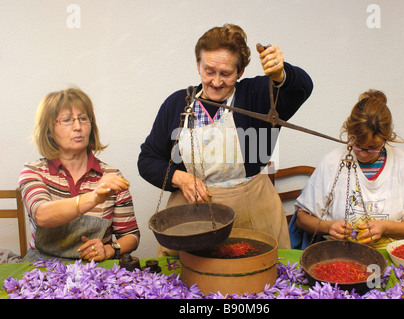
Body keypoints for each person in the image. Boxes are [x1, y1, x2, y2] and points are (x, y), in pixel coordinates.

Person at [138, 24, 313, 255]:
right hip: (193, 215)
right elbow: (148, 160)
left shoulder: (258, 95)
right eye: (209, 71)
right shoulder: (176, 104)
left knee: (259, 282)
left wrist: (281, 74)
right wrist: (178, 178)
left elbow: (302, 88)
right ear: (198, 65)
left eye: (226, 73)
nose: (217, 82)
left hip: (254, 211)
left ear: (240, 72)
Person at [290, 89, 404, 249]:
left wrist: (385, 228)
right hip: (338, 253)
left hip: (389, 257)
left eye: (372, 148)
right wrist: (329, 227)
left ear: (386, 138)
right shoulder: (332, 162)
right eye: (357, 145)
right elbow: (302, 220)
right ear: (349, 133)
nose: (363, 154)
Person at [19, 88, 140, 262]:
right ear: (49, 130)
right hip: (41, 268)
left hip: (94, 272)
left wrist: (109, 249)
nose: (78, 127)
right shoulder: (34, 172)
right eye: (67, 120)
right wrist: (94, 197)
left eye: (83, 119)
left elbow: (131, 236)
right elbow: (42, 215)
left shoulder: (111, 175)